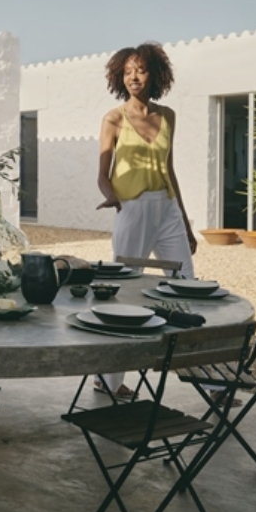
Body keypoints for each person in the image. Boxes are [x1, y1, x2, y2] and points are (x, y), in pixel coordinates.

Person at [95, 41, 197, 398]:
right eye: (127, 71)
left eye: (140, 69)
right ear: (119, 77)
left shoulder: (167, 115)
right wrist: (111, 197)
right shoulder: (113, 118)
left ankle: (209, 380)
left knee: (188, 286)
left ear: (155, 74)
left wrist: (185, 221)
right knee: (124, 291)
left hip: (166, 208)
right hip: (132, 210)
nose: (133, 77)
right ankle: (107, 380)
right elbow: (103, 174)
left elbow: (169, 168)